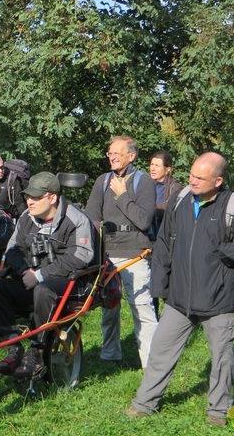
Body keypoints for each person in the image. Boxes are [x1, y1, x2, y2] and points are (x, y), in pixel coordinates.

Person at [123, 152, 234, 426]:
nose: (193, 181)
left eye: (201, 177)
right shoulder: (180, 199)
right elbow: (163, 242)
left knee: (222, 360)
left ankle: (218, 412)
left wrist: (226, 253)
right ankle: (143, 405)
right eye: (191, 174)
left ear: (218, 180)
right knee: (160, 352)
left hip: (218, 299)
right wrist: (160, 285)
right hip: (179, 297)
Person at [0, 172, 97, 379]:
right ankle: (14, 346)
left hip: (68, 285)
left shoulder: (76, 219)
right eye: (28, 196)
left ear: (52, 198)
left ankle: (37, 349)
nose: (29, 201)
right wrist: (24, 271)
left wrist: (40, 275)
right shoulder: (26, 218)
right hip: (30, 280)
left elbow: (81, 257)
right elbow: (12, 250)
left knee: (43, 290)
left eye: (36, 197)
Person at [84, 136, 157, 369]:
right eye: (109, 153)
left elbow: (144, 221)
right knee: (109, 308)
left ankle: (153, 364)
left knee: (142, 307)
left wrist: (123, 195)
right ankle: (109, 355)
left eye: (117, 153)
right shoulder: (102, 181)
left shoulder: (143, 182)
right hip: (107, 254)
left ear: (131, 156)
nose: (112, 156)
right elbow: (91, 219)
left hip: (135, 252)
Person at [148, 150, 183, 238]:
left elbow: (169, 207)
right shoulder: (146, 184)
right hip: (147, 236)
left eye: (157, 166)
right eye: (152, 164)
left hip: (163, 236)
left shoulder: (175, 188)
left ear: (167, 169)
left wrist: (147, 209)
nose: (152, 169)